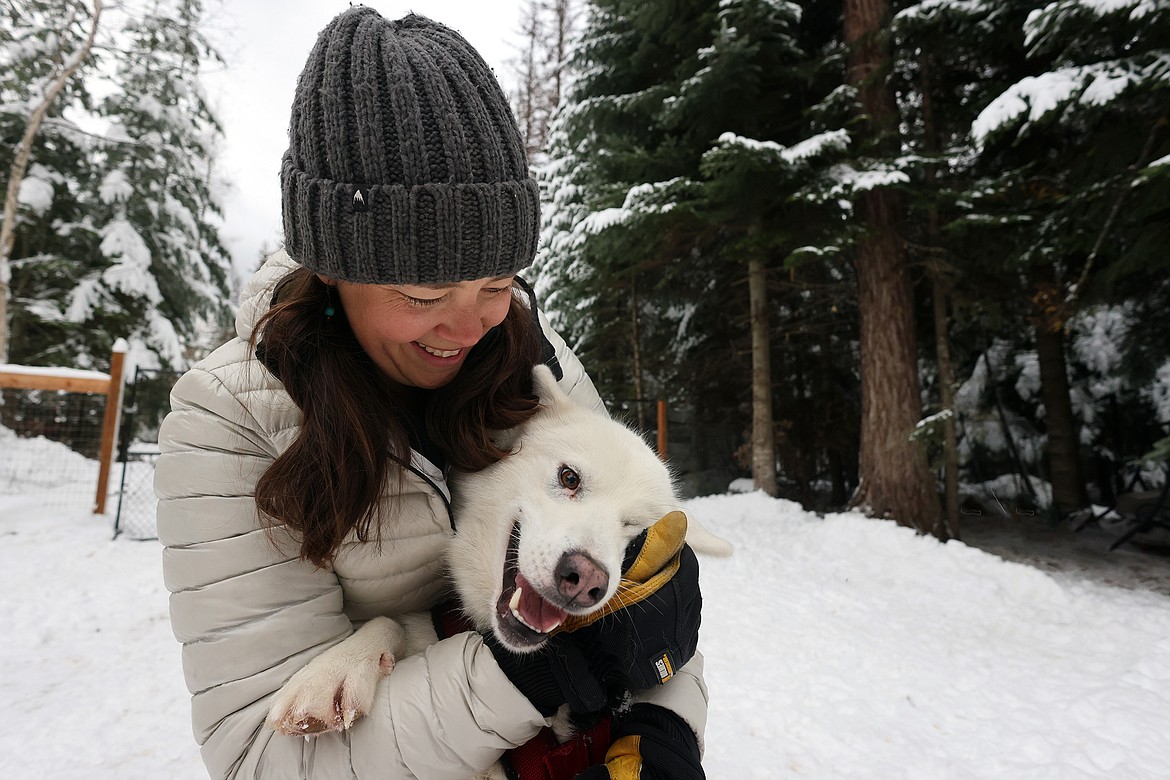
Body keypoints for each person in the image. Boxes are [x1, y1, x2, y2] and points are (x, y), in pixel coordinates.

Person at [155, 8, 708, 779]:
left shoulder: (537, 362)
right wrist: (521, 678)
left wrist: (663, 726)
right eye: (423, 292)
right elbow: (261, 759)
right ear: (331, 266)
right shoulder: (230, 420)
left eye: (496, 283)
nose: (469, 324)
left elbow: (642, 616)